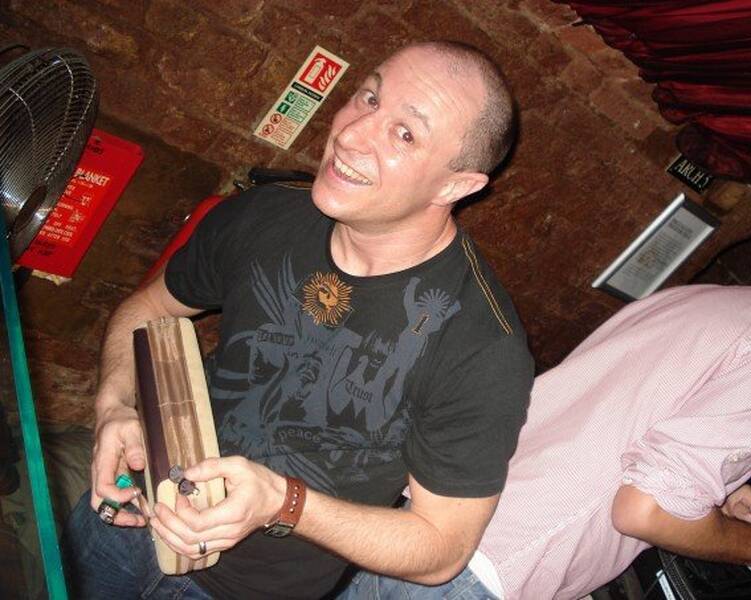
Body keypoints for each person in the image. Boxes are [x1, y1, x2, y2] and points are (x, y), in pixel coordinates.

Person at [63, 41, 535, 599]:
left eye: (405, 134)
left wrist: (282, 503)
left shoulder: (482, 346)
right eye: (369, 98)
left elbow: (440, 548)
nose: (351, 134)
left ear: (456, 185)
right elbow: (150, 308)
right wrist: (115, 406)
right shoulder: (265, 214)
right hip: (129, 511)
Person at [340, 284, 751, 600]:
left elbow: (632, 406)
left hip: (442, 520)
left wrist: (726, 484)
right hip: (493, 572)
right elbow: (646, 510)